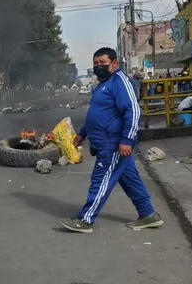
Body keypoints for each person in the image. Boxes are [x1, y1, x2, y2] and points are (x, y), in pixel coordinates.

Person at [59, 47, 164, 234]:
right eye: (96, 64)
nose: (98, 66)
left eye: (103, 63)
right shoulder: (102, 85)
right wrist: (82, 133)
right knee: (130, 180)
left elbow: (133, 111)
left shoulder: (120, 81)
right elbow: (97, 115)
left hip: (114, 143)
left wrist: (127, 140)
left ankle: (86, 219)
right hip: (105, 141)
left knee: (101, 180)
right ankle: (148, 214)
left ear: (114, 63)